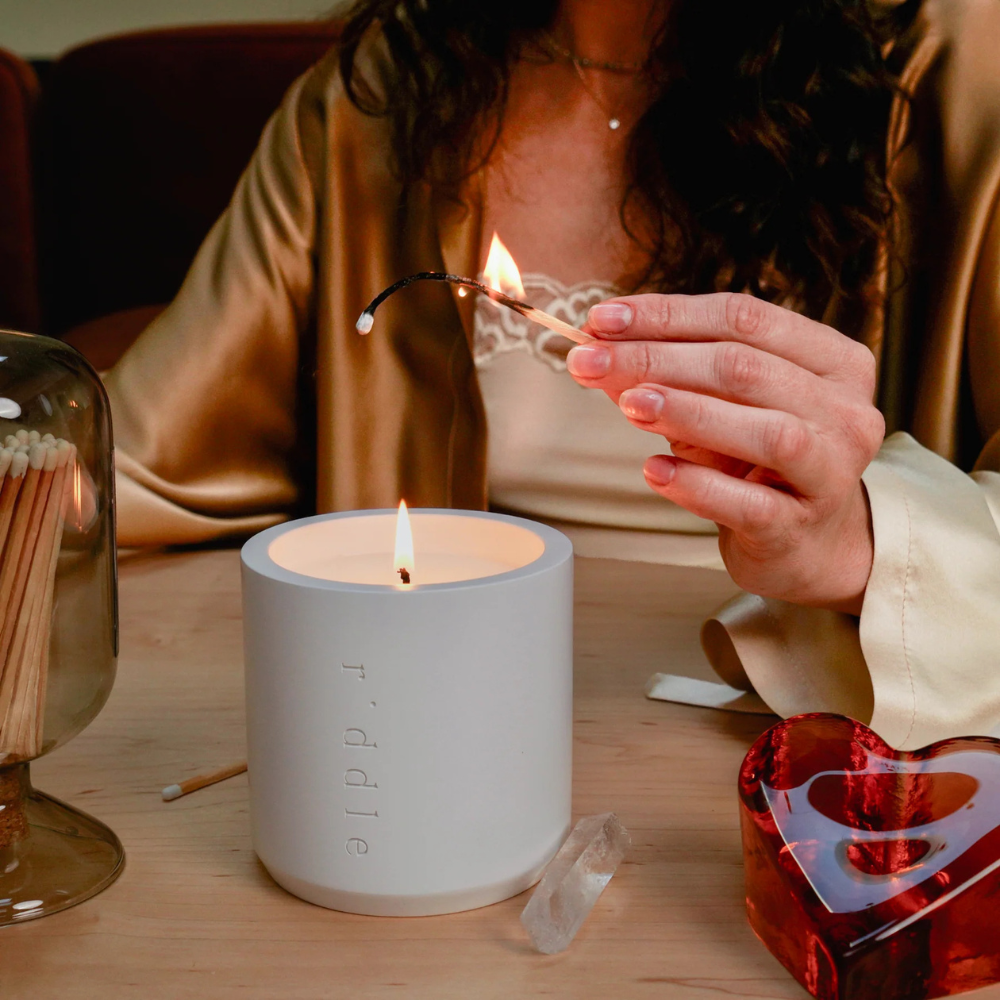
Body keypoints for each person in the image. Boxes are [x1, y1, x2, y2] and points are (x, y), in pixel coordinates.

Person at [105, 0, 1000, 749]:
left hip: (810, 758)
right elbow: (135, 462)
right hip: (440, 733)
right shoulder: (381, 94)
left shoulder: (959, 71)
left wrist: (868, 546)